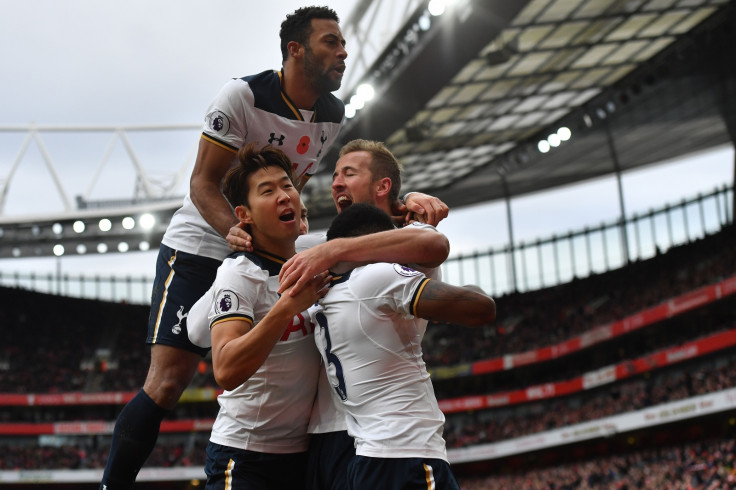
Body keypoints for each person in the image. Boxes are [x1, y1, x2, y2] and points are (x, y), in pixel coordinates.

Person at [99, 6, 348, 489]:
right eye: (330, 43)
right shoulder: (242, 95)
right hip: (201, 244)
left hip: (262, 248)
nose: (343, 53)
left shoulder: (332, 116)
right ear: (295, 49)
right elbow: (202, 182)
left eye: (343, 45)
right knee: (169, 382)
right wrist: (235, 234)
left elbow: (291, 185)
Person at [276, 139, 450, 490]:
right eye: (335, 175)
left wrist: (406, 202)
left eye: (349, 174)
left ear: (382, 186)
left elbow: (433, 245)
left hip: (382, 438)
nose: (335, 183)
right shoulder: (319, 246)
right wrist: (240, 233)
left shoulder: (412, 242)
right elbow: (267, 241)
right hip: (322, 432)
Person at [313, 203, 496, 490]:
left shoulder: (325, 297)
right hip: (407, 456)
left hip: (370, 460)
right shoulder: (375, 277)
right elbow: (481, 309)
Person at [185, 142, 330, 489]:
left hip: (302, 455)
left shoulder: (315, 256)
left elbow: (370, 234)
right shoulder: (240, 274)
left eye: (287, 185)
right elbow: (226, 369)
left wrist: (409, 201)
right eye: (267, 191)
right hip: (245, 456)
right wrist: (285, 308)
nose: (284, 195)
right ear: (244, 215)